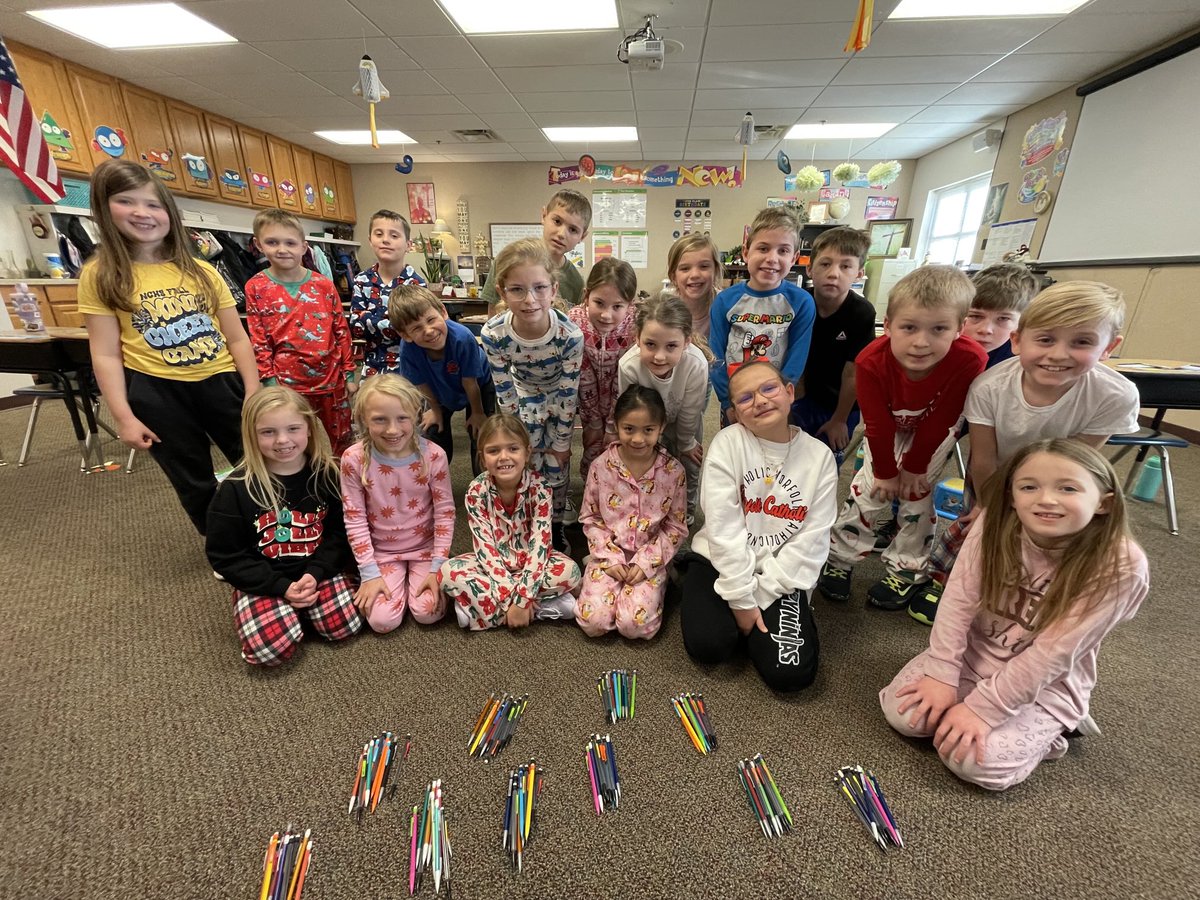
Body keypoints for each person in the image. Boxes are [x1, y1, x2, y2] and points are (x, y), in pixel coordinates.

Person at [879, 439, 1149, 791]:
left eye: (1067, 488)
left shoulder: (1121, 565)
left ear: (1104, 503)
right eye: (1029, 487)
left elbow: (1054, 653)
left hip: (1045, 685)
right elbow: (958, 600)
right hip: (975, 657)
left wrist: (984, 709)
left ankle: (1054, 732)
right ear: (1011, 496)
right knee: (906, 717)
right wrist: (942, 673)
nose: (1047, 499)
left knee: (973, 762)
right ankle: (966, 701)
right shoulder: (994, 522)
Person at [909, 281, 1139, 625]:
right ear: (1018, 340)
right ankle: (953, 583)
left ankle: (1018, 596)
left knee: (1043, 540)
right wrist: (990, 506)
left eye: (1082, 342)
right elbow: (983, 457)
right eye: (1045, 339)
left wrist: (1041, 499)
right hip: (994, 475)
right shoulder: (990, 387)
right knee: (980, 534)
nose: (1059, 354)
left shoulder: (1115, 395)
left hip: (1060, 478)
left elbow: (1078, 462)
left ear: (1109, 348)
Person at [78, 159, 260, 534]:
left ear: (170, 214)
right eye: (127, 202)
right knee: (191, 475)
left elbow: (237, 337)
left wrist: (253, 389)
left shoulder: (203, 271)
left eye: (153, 205)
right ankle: (222, 544)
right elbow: (105, 353)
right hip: (156, 389)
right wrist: (125, 417)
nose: (142, 213)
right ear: (104, 208)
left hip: (220, 380)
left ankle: (272, 530)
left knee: (256, 459)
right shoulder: (101, 275)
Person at [817, 265, 987, 611]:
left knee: (917, 495)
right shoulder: (871, 361)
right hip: (887, 430)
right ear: (889, 325)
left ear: (960, 328)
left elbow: (941, 420)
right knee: (868, 491)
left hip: (933, 432)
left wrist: (913, 468)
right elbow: (877, 424)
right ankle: (841, 559)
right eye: (909, 327)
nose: (921, 342)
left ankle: (907, 568)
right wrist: (886, 471)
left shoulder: (970, 359)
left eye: (939, 329)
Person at [680, 361, 838, 692]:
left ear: (789, 392)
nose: (761, 400)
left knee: (789, 673)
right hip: (719, 560)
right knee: (710, 646)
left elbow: (813, 538)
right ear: (735, 412)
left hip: (781, 574)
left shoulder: (820, 458)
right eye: (746, 397)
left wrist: (761, 596)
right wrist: (740, 599)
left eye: (769, 388)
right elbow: (723, 527)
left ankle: (754, 627)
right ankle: (730, 617)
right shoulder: (728, 442)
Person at [206, 387, 363, 666]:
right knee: (267, 652)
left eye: (293, 428)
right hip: (265, 580)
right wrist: (278, 586)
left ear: (309, 430)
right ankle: (273, 610)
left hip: (316, 573)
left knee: (345, 627)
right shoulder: (235, 489)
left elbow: (340, 534)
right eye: (268, 432)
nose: (282, 441)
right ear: (251, 435)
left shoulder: (326, 474)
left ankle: (296, 614)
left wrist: (316, 573)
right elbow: (225, 555)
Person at [480, 238, 584, 553]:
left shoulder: (570, 336)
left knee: (555, 465)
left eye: (539, 288)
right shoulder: (493, 335)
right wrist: (518, 442)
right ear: (502, 292)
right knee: (525, 463)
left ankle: (554, 526)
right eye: (517, 290)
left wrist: (562, 444)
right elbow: (505, 393)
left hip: (558, 396)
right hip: (522, 396)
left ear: (554, 289)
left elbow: (568, 393)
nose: (530, 300)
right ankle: (526, 525)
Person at [439, 413, 582, 631]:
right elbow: (484, 549)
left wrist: (522, 597)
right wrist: (512, 600)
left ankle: (481, 612)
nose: (503, 457)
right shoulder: (477, 490)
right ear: (482, 457)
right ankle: (540, 609)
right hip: (493, 566)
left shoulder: (540, 487)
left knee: (571, 571)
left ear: (527, 453)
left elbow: (540, 546)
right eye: (493, 451)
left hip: (531, 564)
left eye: (513, 449)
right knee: (447, 572)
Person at [340, 375, 453, 632]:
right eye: (380, 419)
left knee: (428, 612)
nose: (392, 430)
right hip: (382, 552)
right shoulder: (353, 459)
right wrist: (369, 573)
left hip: (425, 548)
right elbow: (354, 517)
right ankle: (393, 582)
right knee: (382, 622)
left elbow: (445, 514)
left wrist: (437, 567)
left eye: (402, 418)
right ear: (363, 420)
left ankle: (419, 580)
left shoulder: (434, 455)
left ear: (416, 413)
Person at [575, 386, 688, 640]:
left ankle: (660, 582)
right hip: (608, 552)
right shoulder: (601, 466)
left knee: (634, 627)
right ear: (617, 425)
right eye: (629, 429)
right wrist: (608, 556)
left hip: (651, 555)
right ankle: (608, 586)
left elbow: (676, 527)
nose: (638, 439)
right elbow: (590, 518)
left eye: (648, 430)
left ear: (661, 427)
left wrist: (646, 563)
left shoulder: (673, 471)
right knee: (593, 623)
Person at [244, 209, 355, 454]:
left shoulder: (323, 284)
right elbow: (258, 339)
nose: (282, 249)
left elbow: (341, 329)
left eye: (290, 243)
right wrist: (269, 381)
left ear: (304, 247)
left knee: (343, 439)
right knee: (296, 442)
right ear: (258, 245)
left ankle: (345, 485)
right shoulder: (256, 287)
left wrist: (349, 373)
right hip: (287, 384)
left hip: (331, 379)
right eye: (272, 242)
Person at [710, 206, 815, 421]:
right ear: (746, 252)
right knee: (736, 450)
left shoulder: (801, 302)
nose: (772, 258)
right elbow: (715, 356)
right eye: (764, 248)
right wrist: (727, 401)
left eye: (783, 251)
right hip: (737, 398)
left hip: (775, 399)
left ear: (794, 258)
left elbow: (797, 357)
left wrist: (782, 396)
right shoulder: (725, 300)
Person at [618, 293, 710, 522]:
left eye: (671, 346)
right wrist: (649, 441)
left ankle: (686, 513)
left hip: (683, 420)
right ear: (637, 338)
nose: (659, 356)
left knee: (689, 462)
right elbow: (630, 409)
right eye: (650, 344)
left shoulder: (696, 364)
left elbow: (691, 411)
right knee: (650, 464)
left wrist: (687, 442)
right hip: (646, 423)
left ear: (687, 341)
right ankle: (652, 509)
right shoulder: (629, 366)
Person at [791, 226, 876, 467]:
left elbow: (854, 372)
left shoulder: (862, 312)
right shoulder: (799, 303)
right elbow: (795, 355)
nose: (833, 273)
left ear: (859, 273)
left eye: (845, 266)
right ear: (809, 269)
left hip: (842, 404)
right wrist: (797, 403)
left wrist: (839, 420)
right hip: (803, 396)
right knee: (793, 460)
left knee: (826, 463)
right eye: (825, 264)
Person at [390, 284, 496, 474]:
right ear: (405, 335)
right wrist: (436, 411)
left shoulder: (462, 338)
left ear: (443, 312)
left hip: (478, 385)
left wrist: (478, 413)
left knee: (481, 433)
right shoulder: (408, 349)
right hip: (439, 388)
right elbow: (421, 384)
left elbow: (470, 383)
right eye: (416, 328)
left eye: (431, 320)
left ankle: (484, 484)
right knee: (433, 430)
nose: (429, 331)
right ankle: (435, 480)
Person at [567, 257, 637, 478]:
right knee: (592, 447)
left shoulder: (635, 326)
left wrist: (611, 426)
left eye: (617, 306)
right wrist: (595, 423)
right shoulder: (575, 322)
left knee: (619, 451)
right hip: (589, 401)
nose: (607, 315)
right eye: (599, 303)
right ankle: (591, 493)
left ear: (630, 303)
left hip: (623, 401)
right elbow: (583, 376)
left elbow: (623, 380)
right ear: (587, 296)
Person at [482, 189, 592, 313]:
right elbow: (492, 316)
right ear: (544, 215)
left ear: (582, 237)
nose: (561, 234)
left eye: (573, 230)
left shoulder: (576, 283)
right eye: (557, 221)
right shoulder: (507, 261)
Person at [348, 209, 424, 378]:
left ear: (408, 245)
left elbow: (417, 329)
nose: (385, 240)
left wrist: (370, 317)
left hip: (410, 367)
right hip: (372, 367)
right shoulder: (361, 281)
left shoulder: (416, 284)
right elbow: (356, 326)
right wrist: (395, 322)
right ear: (370, 240)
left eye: (394, 236)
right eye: (379, 234)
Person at [962, 263, 1041, 368]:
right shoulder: (946, 346)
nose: (986, 330)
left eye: (1003, 318)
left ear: (1021, 323)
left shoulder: (1020, 362)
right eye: (976, 316)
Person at [666, 233, 722, 340]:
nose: (695, 275)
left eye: (704, 266)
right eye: (685, 268)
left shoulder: (726, 306)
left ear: (716, 271)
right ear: (673, 277)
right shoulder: (664, 309)